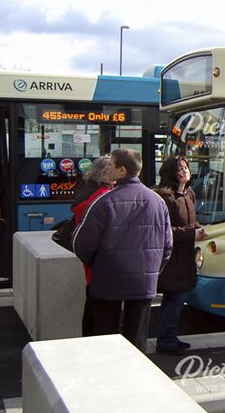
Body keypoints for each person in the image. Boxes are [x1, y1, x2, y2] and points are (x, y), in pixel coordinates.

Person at [73, 149, 172, 352]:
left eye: (111, 165)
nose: (107, 168)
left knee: (104, 341)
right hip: (143, 281)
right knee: (137, 341)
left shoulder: (102, 202)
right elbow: (167, 245)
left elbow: (82, 244)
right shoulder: (158, 202)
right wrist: (152, 270)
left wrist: (98, 265)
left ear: (121, 170)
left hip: (107, 280)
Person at [153, 156, 206, 355]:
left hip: (184, 256)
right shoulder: (165, 197)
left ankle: (169, 337)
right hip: (171, 257)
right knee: (175, 299)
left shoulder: (188, 193)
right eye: (178, 169)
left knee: (172, 299)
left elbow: (190, 221)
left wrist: (198, 228)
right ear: (170, 174)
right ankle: (166, 341)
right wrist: (192, 233)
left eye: (185, 167)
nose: (184, 171)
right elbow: (163, 230)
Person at [71, 156, 114, 337]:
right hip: (103, 259)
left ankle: (88, 340)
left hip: (92, 258)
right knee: (102, 311)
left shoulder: (87, 191)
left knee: (92, 302)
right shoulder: (103, 196)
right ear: (105, 174)